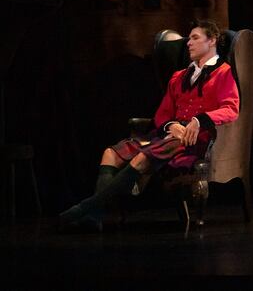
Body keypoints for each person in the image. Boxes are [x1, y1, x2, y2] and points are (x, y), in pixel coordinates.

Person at [59, 19, 240, 231]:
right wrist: (170, 125)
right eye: (188, 38)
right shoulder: (179, 77)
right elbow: (161, 115)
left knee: (142, 158)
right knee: (110, 153)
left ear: (212, 41)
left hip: (195, 140)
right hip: (168, 136)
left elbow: (231, 108)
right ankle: (94, 216)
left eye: (195, 38)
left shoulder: (223, 72)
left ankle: (83, 209)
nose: (188, 43)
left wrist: (199, 120)